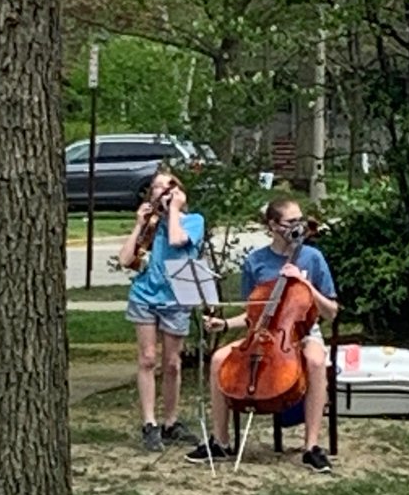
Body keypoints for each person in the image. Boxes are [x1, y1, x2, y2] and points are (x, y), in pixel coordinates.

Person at [185, 196, 338, 473]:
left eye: (301, 220)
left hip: (303, 331)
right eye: (292, 222)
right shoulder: (256, 262)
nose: (298, 227)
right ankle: (220, 441)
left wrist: (305, 284)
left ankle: (311, 447)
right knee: (220, 359)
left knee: (315, 362)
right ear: (273, 226)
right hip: (263, 332)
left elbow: (332, 311)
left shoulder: (313, 258)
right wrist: (225, 325)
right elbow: (253, 314)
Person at [118, 170, 205, 452]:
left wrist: (175, 212)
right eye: (156, 187)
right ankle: (149, 423)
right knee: (147, 358)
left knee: (172, 363)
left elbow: (178, 241)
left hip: (176, 297)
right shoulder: (150, 226)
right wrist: (138, 225)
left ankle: (171, 422)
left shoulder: (193, 221)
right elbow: (126, 260)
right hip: (145, 295)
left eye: (168, 187)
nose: (161, 191)